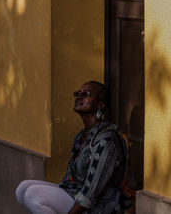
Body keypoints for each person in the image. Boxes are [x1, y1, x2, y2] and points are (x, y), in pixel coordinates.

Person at [15, 81, 131, 213]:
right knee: (22, 189)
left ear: (101, 105)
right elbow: (70, 178)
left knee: (32, 195)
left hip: (98, 206)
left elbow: (92, 191)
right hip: (75, 191)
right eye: (77, 93)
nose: (79, 97)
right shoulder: (82, 135)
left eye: (86, 94)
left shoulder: (107, 138)